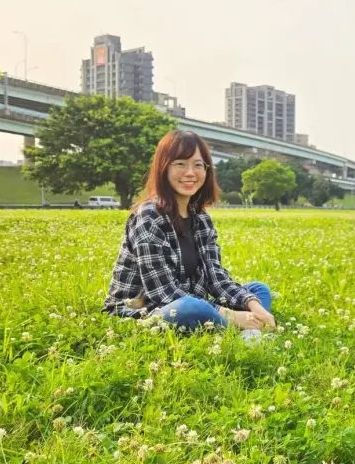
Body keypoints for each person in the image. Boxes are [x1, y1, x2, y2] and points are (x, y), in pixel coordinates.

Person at [102, 130, 276, 343]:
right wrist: (232, 315)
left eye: (198, 165)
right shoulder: (148, 216)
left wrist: (252, 305)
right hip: (144, 310)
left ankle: (248, 330)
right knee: (191, 308)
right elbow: (163, 294)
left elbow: (216, 277)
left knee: (258, 290)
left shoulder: (201, 219)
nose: (190, 172)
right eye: (180, 164)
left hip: (194, 300)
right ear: (164, 167)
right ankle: (243, 331)